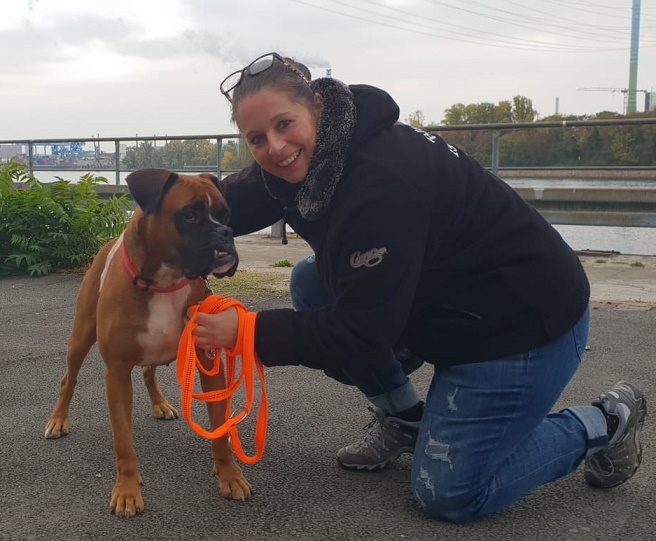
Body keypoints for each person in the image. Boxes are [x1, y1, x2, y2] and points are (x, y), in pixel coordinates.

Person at [191, 52, 647, 523]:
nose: (275, 147)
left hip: (523, 325)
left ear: (317, 107)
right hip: (444, 302)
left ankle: (606, 421)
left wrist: (248, 331)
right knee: (311, 280)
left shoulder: (381, 180)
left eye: (284, 124)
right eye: (257, 138)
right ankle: (405, 420)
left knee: (448, 493)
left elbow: (361, 332)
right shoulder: (309, 155)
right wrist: (154, 228)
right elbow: (216, 204)